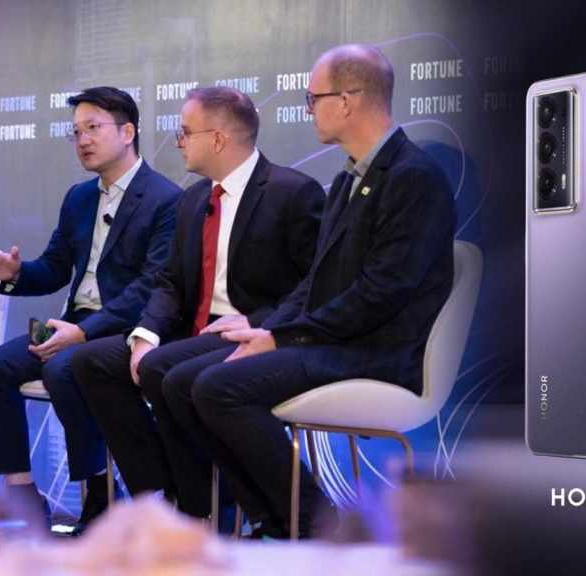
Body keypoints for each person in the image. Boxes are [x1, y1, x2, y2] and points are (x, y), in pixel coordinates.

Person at [160, 44, 457, 539]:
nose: (308, 110)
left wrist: (282, 337)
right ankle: (274, 519)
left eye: (313, 99)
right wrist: (266, 328)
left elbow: (380, 294)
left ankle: (314, 520)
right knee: (180, 382)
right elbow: (316, 281)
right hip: (336, 340)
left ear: (347, 101)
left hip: (377, 350)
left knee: (217, 387)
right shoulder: (348, 178)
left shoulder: (413, 178)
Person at [71, 86, 323, 523]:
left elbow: (314, 285)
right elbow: (169, 281)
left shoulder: (292, 192)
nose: (178, 142)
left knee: (164, 371)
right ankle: (162, 492)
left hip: (251, 330)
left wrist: (259, 321)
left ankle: (203, 507)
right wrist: (146, 333)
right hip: (193, 328)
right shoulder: (192, 198)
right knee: (93, 361)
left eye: (186, 133)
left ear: (219, 139)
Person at [0, 86, 182, 535]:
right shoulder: (79, 198)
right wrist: (16, 273)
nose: (82, 140)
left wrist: (84, 333)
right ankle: (23, 496)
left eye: (93, 128)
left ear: (128, 132)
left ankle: (101, 493)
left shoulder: (165, 199)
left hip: (127, 330)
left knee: (63, 369)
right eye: (76, 132)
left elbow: (150, 287)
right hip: (76, 324)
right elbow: (55, 267)